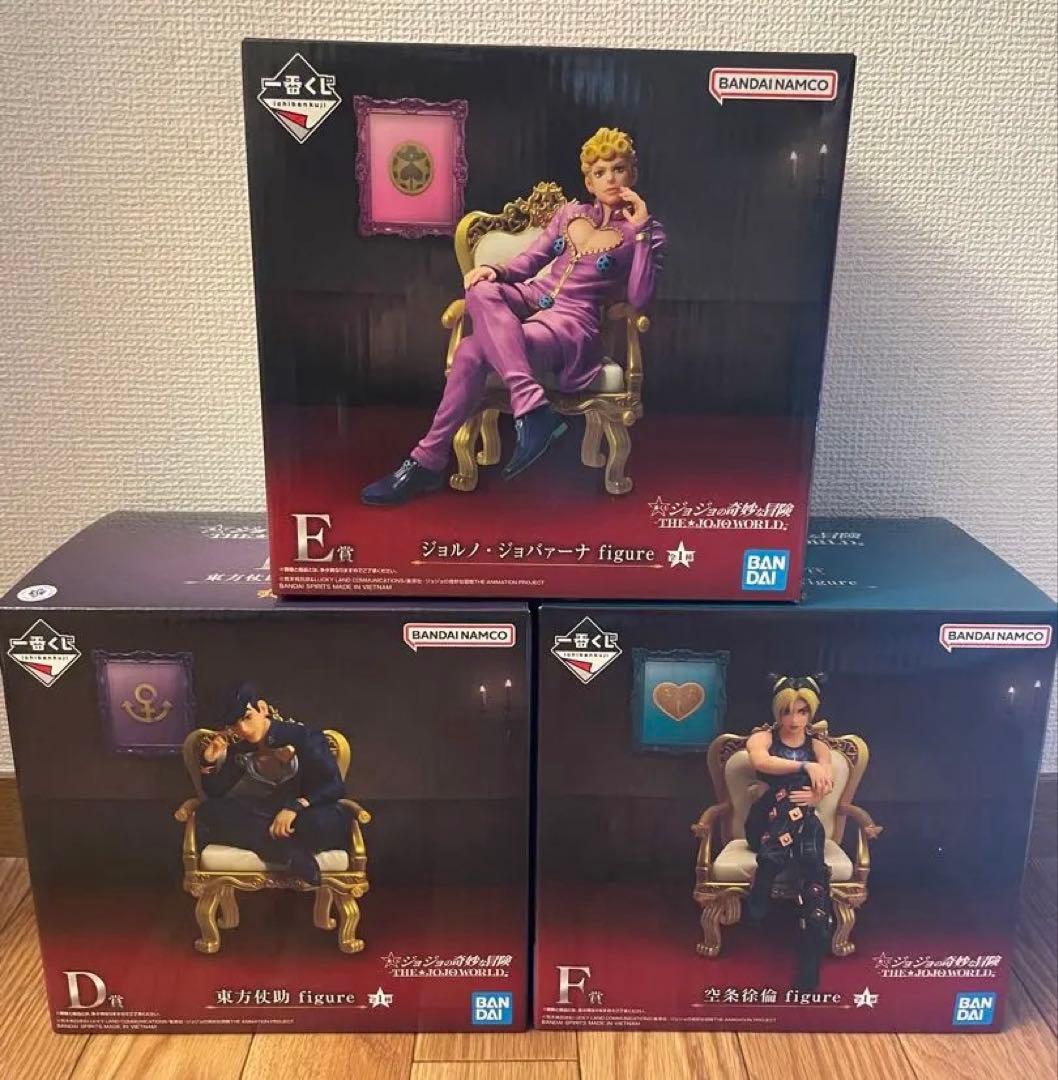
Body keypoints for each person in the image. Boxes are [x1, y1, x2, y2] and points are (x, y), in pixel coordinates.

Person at [361, 125, 666, 505]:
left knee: (471, 352)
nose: (611, 179)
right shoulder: (570, 214)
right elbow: (531, 261)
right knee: (479, 288)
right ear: (589, 181)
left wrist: (640, 233)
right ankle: (532, 407)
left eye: (618, 169)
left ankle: (426, 461)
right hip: (532, 296)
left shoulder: (646, 232)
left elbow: (640, 297)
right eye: (600, 172)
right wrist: (496, 271)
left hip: (572, 324)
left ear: (632, 174)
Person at [175, 683, 350, 887]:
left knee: (322, 823)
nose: (243, 729)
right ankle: (289, 853)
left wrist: (295, 806)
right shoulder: (241, 748)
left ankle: (280, 847)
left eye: (247, 718)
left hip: (307, 812)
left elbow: (335, 786)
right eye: (234, 725)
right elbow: (215, 793)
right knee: (210, 811)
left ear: (263, 709)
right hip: (265, 816)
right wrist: (208, 762)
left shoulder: (304, 737)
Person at [743, 675, 837, 990]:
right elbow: (762, 762)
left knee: (809, 847)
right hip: (763, 823)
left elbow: (826, 782)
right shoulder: (763, 737)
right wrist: (805, 768)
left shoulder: (818, 744)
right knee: (791, 800)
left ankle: (812, 942)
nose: (794, 719)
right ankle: (815, 926)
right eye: (787, 712)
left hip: (800, 824)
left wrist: (816, 797)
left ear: (811, 712)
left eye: (802, 711)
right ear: (777, 712)